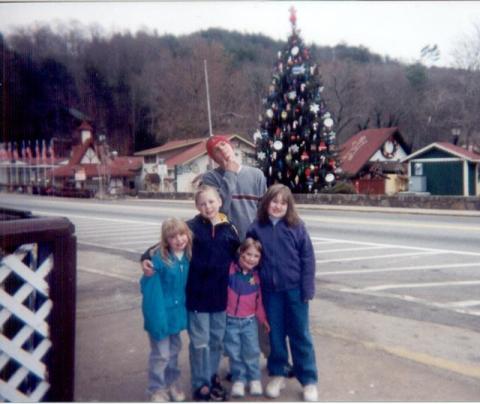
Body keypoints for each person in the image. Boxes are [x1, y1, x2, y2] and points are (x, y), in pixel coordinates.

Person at [246, 184, 319, 402]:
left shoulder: (297, 227)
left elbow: (308, 259)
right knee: (274, 335)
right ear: (266, 203)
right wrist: (254, 286)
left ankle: (308, 380)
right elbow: (251, 259)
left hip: (295, 291)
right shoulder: (256, 228)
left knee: (300, 334)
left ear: (289, 206)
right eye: (274, 201)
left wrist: (307, 288)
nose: (278, 206)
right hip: (270, 292)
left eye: (283, 203)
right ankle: (278, 373)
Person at [185, 184, 240, 401]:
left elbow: (240, 254)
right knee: (200, 343)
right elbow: (164, 244)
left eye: (211, 201)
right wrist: (147, 259)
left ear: (219, 201)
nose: (207, 206)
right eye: (202, 203)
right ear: (197, 206)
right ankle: (201, 385)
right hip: (197, 296)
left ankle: (211, 376)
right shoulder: (190, 227)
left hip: (220, 297)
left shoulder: (230, 228)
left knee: (216, 341)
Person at [140, 218, 193, 402]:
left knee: (174, 352)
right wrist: (156, 318)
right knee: (160, 355)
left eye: (182, 234)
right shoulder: (159, 261)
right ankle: (156, 389)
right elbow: (151, 292)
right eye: (173, 237)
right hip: (160, 315)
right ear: (166, 240)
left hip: (176, 316)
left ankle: (172, 383)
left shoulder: (187, 257)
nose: (179, 240)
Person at [224, 238, 270, 398]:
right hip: (230, 321)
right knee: (234, 351)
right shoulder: (230, 271)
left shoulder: (256, 278)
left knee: (251, 351)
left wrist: (263, 320)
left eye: (256, 256)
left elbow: (259, 302)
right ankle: (239, 380)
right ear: (240, 253)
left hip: (249, 321)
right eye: (248, 254)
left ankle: (254, 378)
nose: (251, 259)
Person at [202, 135, 267, 241]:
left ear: (231, 146)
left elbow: (264, 210)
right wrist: (230, 173)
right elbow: (219, 209)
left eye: (223, 144)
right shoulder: (210, 178)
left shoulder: (256, 174)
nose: (222, 149)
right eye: (217, 149)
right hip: (225, 241)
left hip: (252, 243)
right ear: (214, 158)